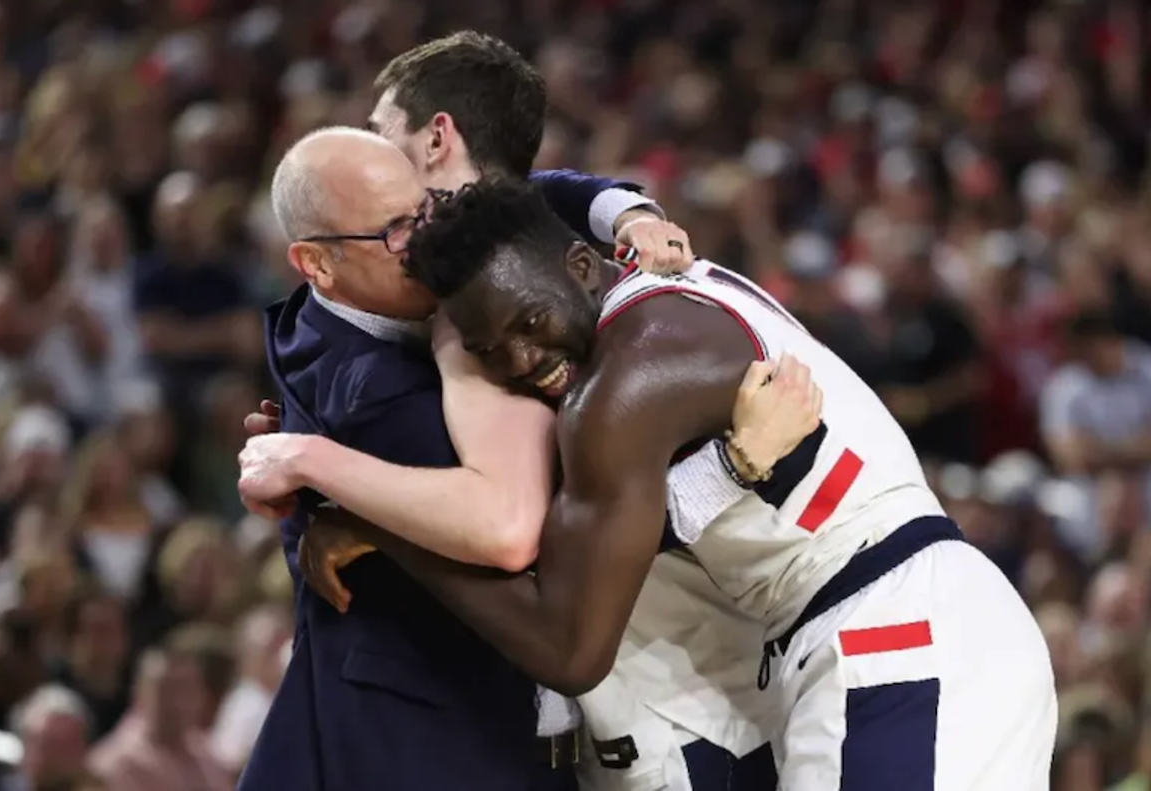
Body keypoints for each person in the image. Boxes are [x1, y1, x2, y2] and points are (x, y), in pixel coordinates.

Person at [294, 180, 1057, 790]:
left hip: (887, 635)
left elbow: (568, 644)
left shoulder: (625, 384)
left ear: (582, 268)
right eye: (492, 349)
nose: (523, 358)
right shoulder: (666, 299)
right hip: (911, 621)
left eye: (528, 321)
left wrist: (385, 527)